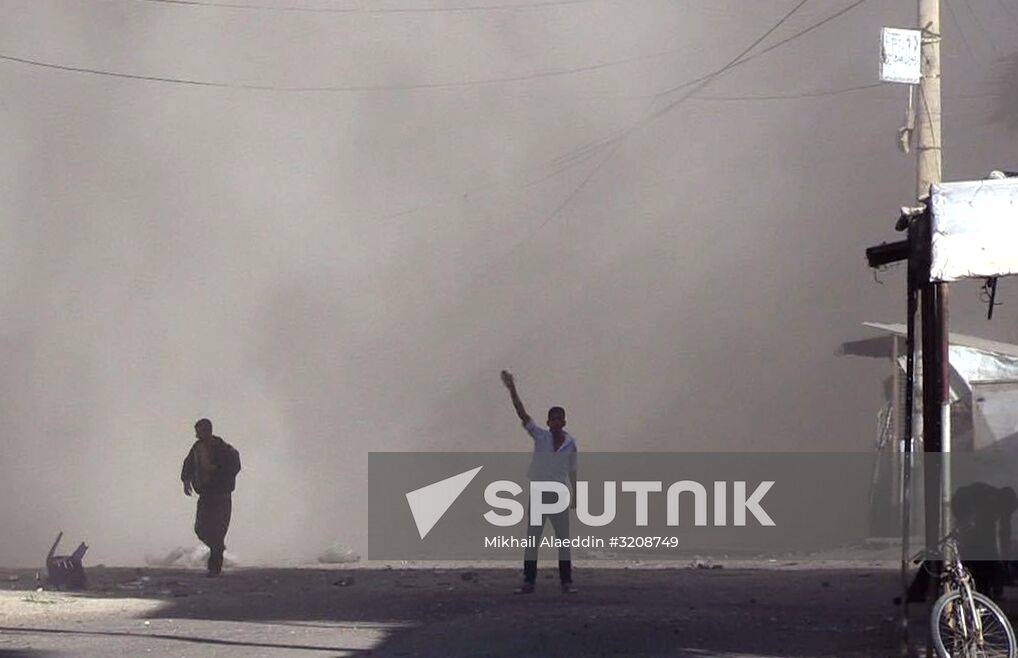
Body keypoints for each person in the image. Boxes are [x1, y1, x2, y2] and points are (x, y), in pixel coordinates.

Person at [501, 370, 578, 594]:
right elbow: (522, 414)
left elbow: (572, 469)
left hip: (559, 493)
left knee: (563, 540)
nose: (555, 423)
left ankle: (566, 581)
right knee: (533, 537)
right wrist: (512, 388)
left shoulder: (571, 443)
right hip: (539, 492)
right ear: (548, 421)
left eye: (559, 419)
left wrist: (576, 495)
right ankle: (529, 581)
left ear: (563, 421)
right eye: (552, 419)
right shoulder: (540, 436)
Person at [181, 418, 241, 577]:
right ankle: (217, 549)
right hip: (206, 494)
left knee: (219, 529)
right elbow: (188, 465)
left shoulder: (222, 448)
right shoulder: (197, 448)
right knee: (200, 528)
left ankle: (214, 568)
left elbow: (235, 465)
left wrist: (218, 470)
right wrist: (186, 481)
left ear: (207, 430)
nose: (196, 435)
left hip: (221, 495)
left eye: (198, 431)